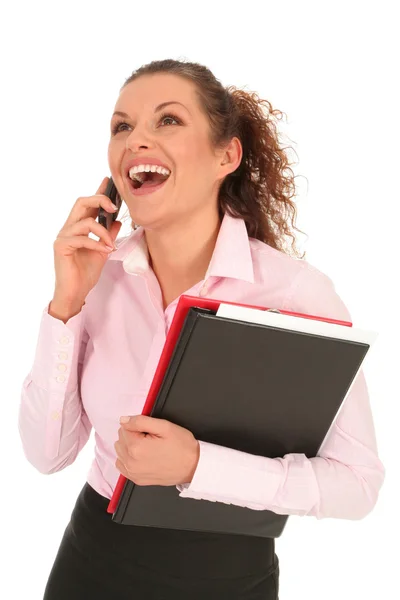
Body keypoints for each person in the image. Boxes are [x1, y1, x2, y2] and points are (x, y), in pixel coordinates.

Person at [18, 58, 385, 600]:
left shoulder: (293, 294)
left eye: (167, 120)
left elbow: (358, 484)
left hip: (226, 577)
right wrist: (67, 302)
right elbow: (46, 456)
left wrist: (197, 465)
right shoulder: (99, 278)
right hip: (91, 559)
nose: (135, 140)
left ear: (226, 155)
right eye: (122, 126)